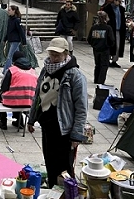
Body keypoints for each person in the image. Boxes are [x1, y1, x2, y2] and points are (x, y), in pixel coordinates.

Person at [27, 38, 88, 188]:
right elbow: (37, 96)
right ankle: (53, 188)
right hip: (47, 124)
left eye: (57, 55)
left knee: (64, 167)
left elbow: (81, 108)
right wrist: (31, 119)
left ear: (66, 54)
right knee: (49, 160)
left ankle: (67, 192)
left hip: (64, 129)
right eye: (51, 54)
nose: (53, 58)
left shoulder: (75, 75)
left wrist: (76, 134)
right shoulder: (45, 69)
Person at [0, 51, 37, 130]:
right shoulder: (33, 71)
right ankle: (19, 121)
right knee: (19, 96)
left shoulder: (12, 70)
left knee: (2, 96)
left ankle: (3, 121)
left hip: (11, 102)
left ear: (13, 60)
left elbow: (4, 87)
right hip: (30, 102)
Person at [87, 11, 115, 84]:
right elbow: (111, 39)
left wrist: (94, 45)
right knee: (104, 65)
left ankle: (96, 79)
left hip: (96, 49)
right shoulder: (108, 28)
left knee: (97, 64)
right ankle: (101, 80)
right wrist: (109, 45)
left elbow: (89, 38)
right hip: (105, 49)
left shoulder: (94, 27)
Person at [2, 5, 27, 75]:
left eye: (9, 10)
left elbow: (21, 31)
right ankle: (19, 67)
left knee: (10, 56)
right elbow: (9, 31)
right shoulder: (10, 20)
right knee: (17, 56)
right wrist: (5, 39)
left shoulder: (16, 20)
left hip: (16, 40)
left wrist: (24, 42)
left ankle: (6, 71)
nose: (8, 11)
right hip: (11, 40)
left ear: (14, 11)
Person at [103, 0, 126, 67]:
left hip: (119, 29)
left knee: (118, 46)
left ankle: (114, 60)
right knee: (110, 44)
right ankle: (108, 59)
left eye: (119, 1)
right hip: (111, 29)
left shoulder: (121, 9)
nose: (118, 3)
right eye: (117, 1)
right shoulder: (108, 8)